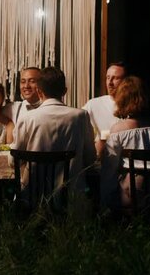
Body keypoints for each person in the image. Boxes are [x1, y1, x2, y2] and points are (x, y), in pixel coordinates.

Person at [13, 67, 96, 205]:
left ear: (39, 91)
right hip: (72, 199)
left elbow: (14, 159)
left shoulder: (27, 118)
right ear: (65, 91)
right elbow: (90, 158)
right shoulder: (81, 116)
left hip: (33, 198)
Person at [100, 76, 150, 210]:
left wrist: (105, 199)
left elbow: (109, 168)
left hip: (134, 196)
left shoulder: (119, 130)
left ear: (122, 99)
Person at [82, 62, 127, 156]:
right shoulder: (94, 104)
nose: (110, 83)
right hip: (103, 158)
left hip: (127, 160)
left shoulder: (134, 106)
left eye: (116, 78)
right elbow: (79, 128)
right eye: (108, 77)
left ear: (126, 82)